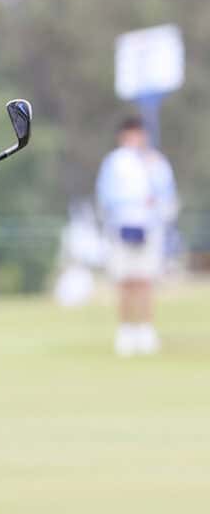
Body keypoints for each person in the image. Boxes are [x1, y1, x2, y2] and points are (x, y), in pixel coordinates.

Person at [95, 115, 179, 357]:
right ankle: (126, 331)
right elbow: (105, 197)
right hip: (121, 228)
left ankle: (145, 329)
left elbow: (167, 197)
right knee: (125, 282)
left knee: (145, 281)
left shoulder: (156, 162)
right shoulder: (114, 163)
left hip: (149, 228)